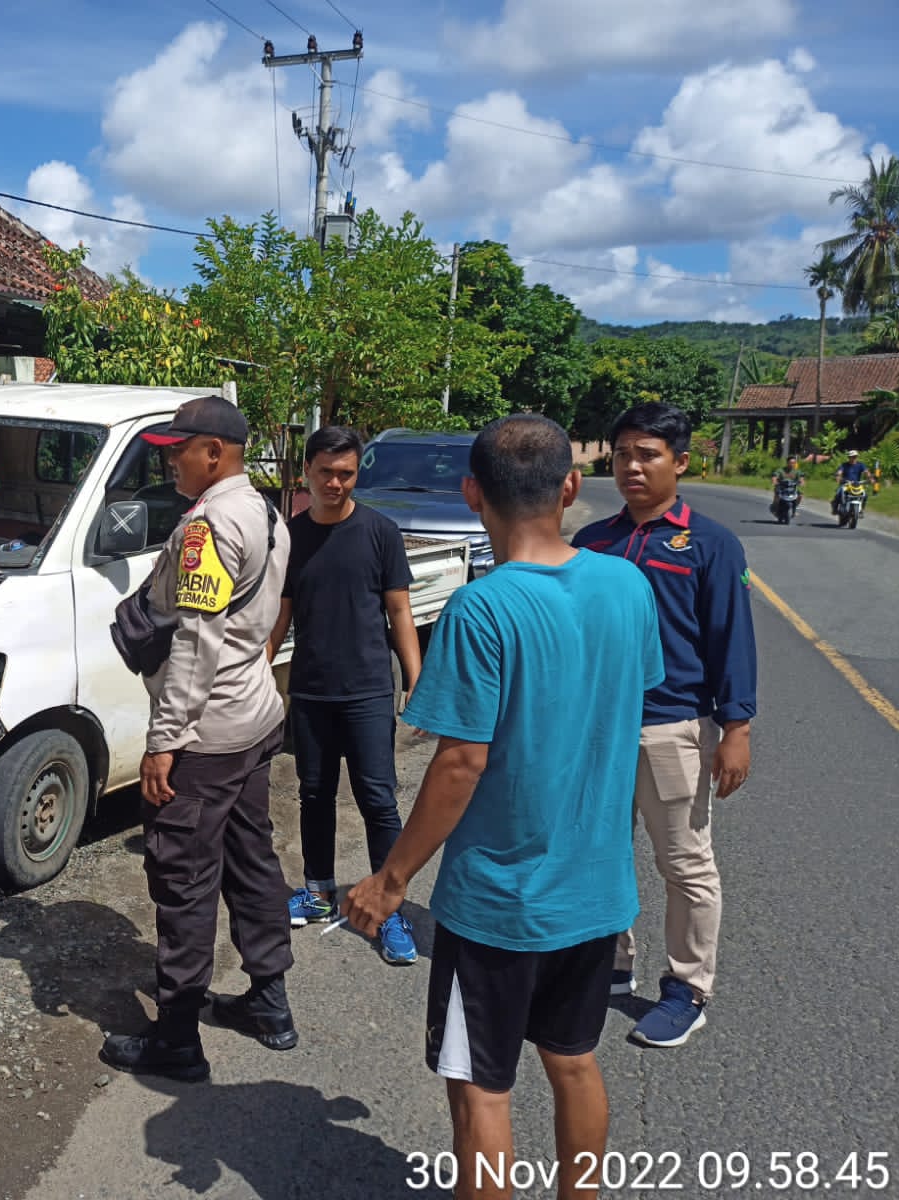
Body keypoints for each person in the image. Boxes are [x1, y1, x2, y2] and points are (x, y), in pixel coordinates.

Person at [343, 414, 660, 1200]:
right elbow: (628, 704)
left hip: (499, 905)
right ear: (572, 486)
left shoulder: (482, 610)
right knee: (574, 1062)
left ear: (472, 493)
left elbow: (460, 763)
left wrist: (390, 881)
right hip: (597, 894)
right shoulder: (627, 584)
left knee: (481, 1088)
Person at [99, 395, 295, 1081]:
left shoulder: (206, 526)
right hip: (255, 719)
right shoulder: (268, 512)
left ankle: (177, 1039)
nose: (170, 460)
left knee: (183, 882)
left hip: (206, 736)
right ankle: (270, 999)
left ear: (214, 453)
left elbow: (196, 641)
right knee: (252, 860)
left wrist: (164, 741)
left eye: (178, 449)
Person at [573, 402, 756, 1048]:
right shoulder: (593, 542)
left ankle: (687, 987)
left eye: (647, 455)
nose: (631, 466)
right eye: (622, 453)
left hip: (672, 726)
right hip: (597, 728)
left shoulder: (709, 544)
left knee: (684, 863)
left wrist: (736, 728)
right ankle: (610, 966)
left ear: (679, 462)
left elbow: (731, 638)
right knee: (600, 852)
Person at [266, 426, 421, 964]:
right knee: (313, 794)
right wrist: (256, 671)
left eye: (346, 473)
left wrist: (415, 678)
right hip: (310, 689)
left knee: (378, 799)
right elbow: (280, 615)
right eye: (326, 472)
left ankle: (389, 908)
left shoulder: (380, 532)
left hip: (368, 690)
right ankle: (319, 891)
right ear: (306, 472)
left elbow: (399, 611)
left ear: (357, 473)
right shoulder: (291, 536)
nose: (335, 482)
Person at [832, 449, 871, 516]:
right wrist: (838, 476)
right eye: (852, 457)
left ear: (857, 457)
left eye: (855, 456)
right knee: (839, 493)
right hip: (846, 484)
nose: (853, 458)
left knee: (865, 495)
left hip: (857, 484)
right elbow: (840, 472)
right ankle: (835, 509)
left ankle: (861, 510)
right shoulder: (844, 465)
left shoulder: (860, 465)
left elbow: (866, 472)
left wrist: (870, 478)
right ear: (849, 457)